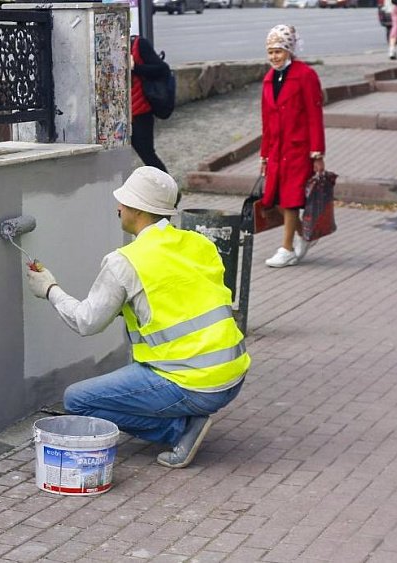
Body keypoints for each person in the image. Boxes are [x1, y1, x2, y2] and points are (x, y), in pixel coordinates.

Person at [25, 167, 250, 469]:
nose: (118, 208)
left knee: (77, 400)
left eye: (123, 203)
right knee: (133, 372)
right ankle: (185, 415)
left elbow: (86, 321)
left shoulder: (125, 262)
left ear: (137, 209)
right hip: (233, 373)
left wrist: (49, 288)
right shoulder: (199, 244)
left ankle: (179, 430)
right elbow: (179, 296)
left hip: (195, 382)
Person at [258, 25, 325, 268]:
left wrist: (317, 153)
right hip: (276, 149)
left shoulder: (305, 75)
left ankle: (287, 248)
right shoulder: (269, 79)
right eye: (270, 52)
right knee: (273, 198)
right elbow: (266, 121)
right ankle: (305, 234)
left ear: (289, 50)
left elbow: (314, 115)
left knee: (290, 199)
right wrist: (264, 155)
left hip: (298, 148)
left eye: (279, 51)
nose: (274, 56)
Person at [130, 35, 169, 173]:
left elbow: (162, 69)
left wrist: (135, 67)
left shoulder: (138, 44)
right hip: (119, 115)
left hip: (141, 112)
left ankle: (170, 192)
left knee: (147, 154)